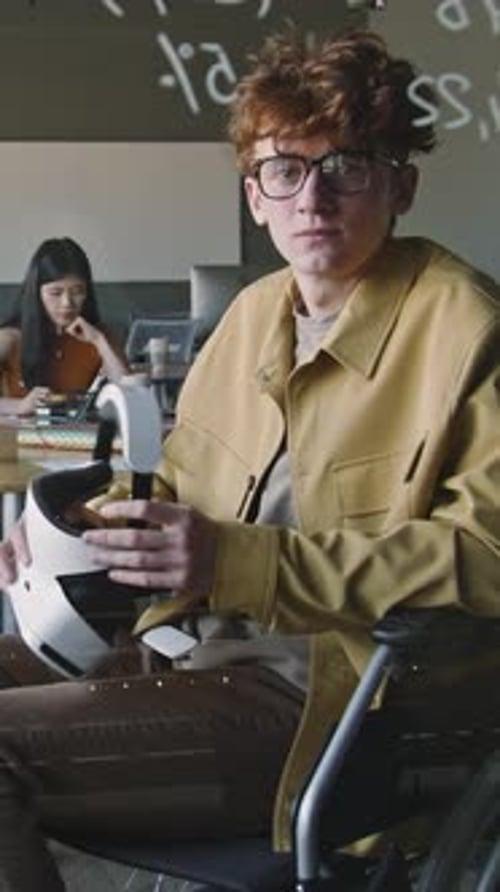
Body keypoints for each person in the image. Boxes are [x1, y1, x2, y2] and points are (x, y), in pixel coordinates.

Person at [0, 28, 498, 890]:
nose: (314, 197)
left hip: (335, 703)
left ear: (401, 185)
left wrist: (236, 558)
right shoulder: (252, 315)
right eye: (286, 170)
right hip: (186, 646)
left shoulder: (469, 327)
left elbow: (486, 558)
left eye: (348, 165)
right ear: (256, 195)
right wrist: (73, 532)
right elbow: (178, 485)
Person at [0, 236, 128, 416]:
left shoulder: (97, 335)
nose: (67, 303)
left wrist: (99, 341)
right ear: (37, 294)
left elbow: (130, 395)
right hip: (16, 440)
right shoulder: (10, 338)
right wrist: (19, 405)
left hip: (75, 438)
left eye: (78, 292)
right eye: (55, 293)